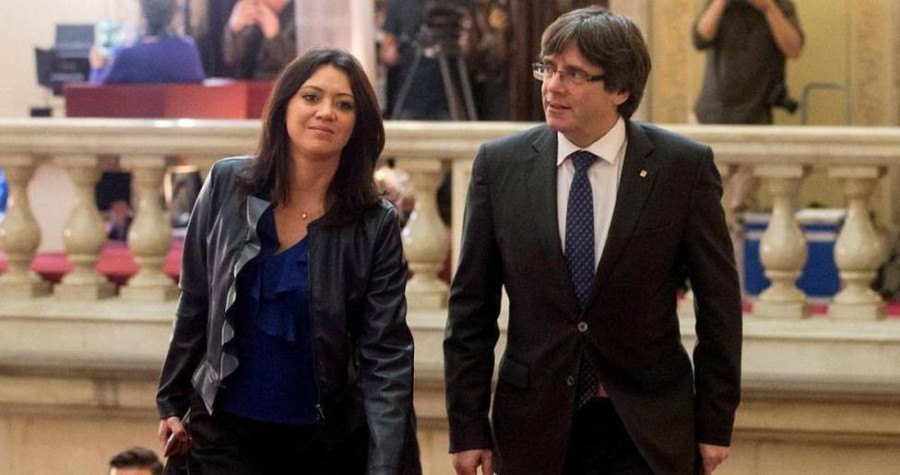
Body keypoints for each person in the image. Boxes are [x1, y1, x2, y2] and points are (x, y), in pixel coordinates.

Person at [444, 6, 742, 475]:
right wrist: (468, 426)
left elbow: (719, 305)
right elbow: (470, 310)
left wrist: (715, 422)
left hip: (646, 428)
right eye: (548, 68)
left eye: (575, 74)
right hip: (534, 426)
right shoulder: (499, 167)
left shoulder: (681, 168)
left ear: (620, 89)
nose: (552, 86)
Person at [156, 48, 421, 474]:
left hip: (325, 445)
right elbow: (196, 301)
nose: (326, 112)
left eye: (344, 104)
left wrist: (387, 463)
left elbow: (385, 354)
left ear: (358, 124)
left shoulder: (375, 223)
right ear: (284, 106)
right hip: (221, 436)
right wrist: (170, 401)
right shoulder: (226, 184)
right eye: (311, 97)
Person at [693, 0, 804, 211]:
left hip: (754, 119)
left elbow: (794, 48)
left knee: (743, 205)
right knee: (705, 201)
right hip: (709, 117)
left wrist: (769, 7)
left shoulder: (779, 4)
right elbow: (700, 38)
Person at [89, 0, 204, 84]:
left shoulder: (125, 54)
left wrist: (97, 67)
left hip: (133, 111)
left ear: (142, 13)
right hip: (180, 111)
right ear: (173, 14)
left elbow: (96, 96)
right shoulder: (188, 50)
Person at [223, 0, 296, 79]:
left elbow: (298, 64)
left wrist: (274, 37)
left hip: (281, 83)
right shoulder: (252, 16)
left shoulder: (299, 15)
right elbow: (232, 59)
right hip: (248, 82)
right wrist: (235, 31)